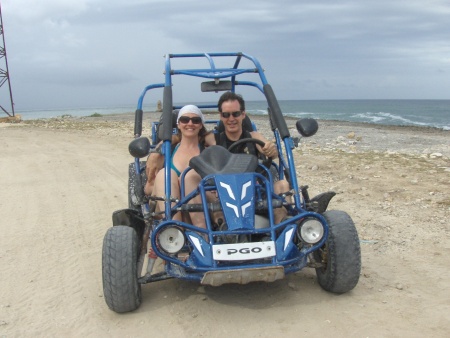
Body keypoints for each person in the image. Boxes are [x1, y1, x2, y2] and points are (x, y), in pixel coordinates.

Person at [184, 92, 290, 227]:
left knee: (283, 185)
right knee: (207, 191)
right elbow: (190, 136)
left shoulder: (254, 136)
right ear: (221, 116)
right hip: (224, 196)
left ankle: (281, 230)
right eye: (226, 115)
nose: (231, 119)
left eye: (235, 114)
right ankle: (224, 228)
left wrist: (271, 150)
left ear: (243, 114)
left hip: (255, 193)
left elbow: (269, 149)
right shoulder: (213, 139)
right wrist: (160, 149)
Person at [147, 104, 209, 222]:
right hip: (164, 205)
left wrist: (187, 185)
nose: (190, 124)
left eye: (195, 120)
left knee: (189, 179)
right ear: (178, 124)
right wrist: (175, 186)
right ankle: (174, 229)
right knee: (166, 174)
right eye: (185, 120)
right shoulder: (166, 152)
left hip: (196, 207)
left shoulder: (207, 152)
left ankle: (199, 234)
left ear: (201, 125)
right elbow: (148, 188)